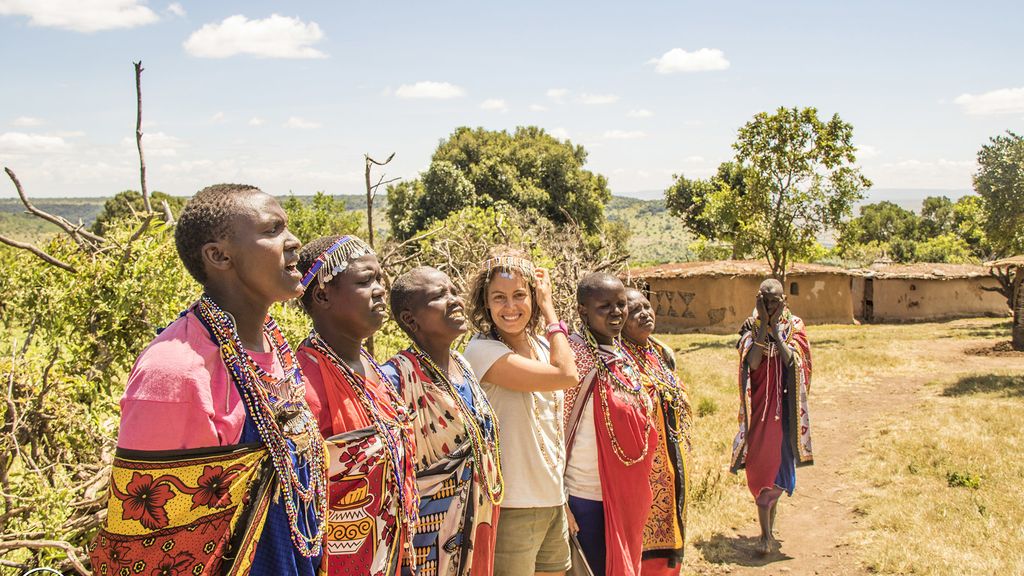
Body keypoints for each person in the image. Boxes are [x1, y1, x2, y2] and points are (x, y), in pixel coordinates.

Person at [91, 184, 326, 575]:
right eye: (272, 230)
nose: (293, 241)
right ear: (219, 256)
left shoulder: (275, 347)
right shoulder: (175, 373)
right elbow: (149, 550)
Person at [295, 235, 418, 576]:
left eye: (379, 279)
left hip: (394, 554)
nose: (379, 290)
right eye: (365, 281)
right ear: (322, 296)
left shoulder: (371, 367)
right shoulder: (305, 383)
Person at [462, 250, 579, 576]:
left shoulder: (544, 347)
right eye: (499, 298)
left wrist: (562, 499)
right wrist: (550, 310)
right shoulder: (483, 351)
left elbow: (553, 431)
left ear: (532, 295)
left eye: (519, 295)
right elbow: (568, 374)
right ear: (486, 303)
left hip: (553, 502)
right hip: (512, 506)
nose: (510, 307)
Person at [382, 266, 504, 576]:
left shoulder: (462, 366)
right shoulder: (395, 379)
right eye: (439, 295)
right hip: (425, 536)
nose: (455, 300)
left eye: (453, 291)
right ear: (410, 319)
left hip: (478, 521)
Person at [565, 273, 657, 576]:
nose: (616, 312)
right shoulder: (573, 356)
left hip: (628, 495)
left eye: (620, 304)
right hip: (585, 496)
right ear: (583, 311)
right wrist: (560, 499)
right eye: (604, 306)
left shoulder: (621, 354)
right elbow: (554, 428)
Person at [730, 278, 813, 554]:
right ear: (758, 299)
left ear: (784, 301)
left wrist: (776, 331)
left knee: (779, 471)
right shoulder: (751, 327)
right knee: (761, 469)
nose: (769, 306)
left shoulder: (795, 327)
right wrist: (763, 325)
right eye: (764, 301)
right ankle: (765, 536)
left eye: (774, 302)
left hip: (785, 411)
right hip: (759, 411)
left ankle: (768, 532)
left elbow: (793, 362)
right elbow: (753, 362)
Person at [619, 288, 692, 576]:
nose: (644, 314)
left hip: (674, 465)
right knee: (645, 550)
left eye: (646, 307)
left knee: (673, 535)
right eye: (634, 310)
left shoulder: (660, 353)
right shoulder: (619, 361)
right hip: (645, 470)